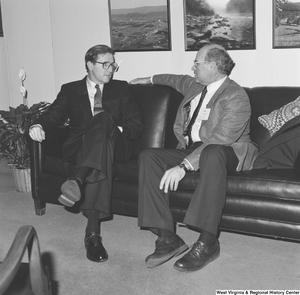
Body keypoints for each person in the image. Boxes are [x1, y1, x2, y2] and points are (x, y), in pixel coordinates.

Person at [130, 43, 258, 272]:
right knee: (149, 156)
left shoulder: (236, 96)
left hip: (228, 151)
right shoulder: (196, 85)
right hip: (194, 148)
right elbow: (174, 79)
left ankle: (208, 242)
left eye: (196, 63)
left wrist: (183, 166)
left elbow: (221, 139)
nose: (193, 67)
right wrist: (148, 79)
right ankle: (167, 237)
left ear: (211, 65)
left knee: (211, 152)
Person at [29, 44, 143, 263]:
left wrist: (108, 128)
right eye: (105, 64)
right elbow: (53, 115)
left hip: (117, 144)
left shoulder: (122, 89)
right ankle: (92, 234)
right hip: (81, 147)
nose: (111, 69)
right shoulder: (70, 90)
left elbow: (136, 126)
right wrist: (38, 125)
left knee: (103, 119)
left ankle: (77, 179)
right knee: (99, 156)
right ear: (90, 65)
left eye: (113, 65)